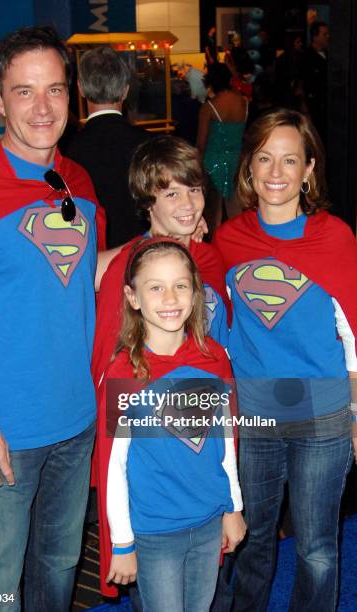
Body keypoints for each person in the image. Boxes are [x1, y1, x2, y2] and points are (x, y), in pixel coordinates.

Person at [0, 26, 106, 610]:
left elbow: (76, 277)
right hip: (3, 432)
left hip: (76, 420)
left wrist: (158, 248)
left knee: (60, 567)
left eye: (56, 90)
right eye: (24, 91)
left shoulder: (78, 183)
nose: (43, 108)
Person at [213, 108, 357, 611]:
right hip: (254, 416)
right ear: (248, 168)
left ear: (309, 169)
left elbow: (353, 334)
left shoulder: (335, 238)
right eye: (265, 159)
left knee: (317, 548)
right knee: (250, 541)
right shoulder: (228, 241)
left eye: (290, 160)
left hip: (323, 414)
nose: (276, 173)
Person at [98, 237, 246, 612]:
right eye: (155, 287)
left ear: (196, 294)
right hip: (155, 532)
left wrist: (234, 508)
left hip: (209, 520)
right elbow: (113, 466)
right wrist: (123, 543)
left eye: (181, 285)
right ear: (133, 297)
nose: (170, 298)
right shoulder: (125, 372)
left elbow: (226, 442)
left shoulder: (215, 360)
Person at [92, 135, 229, 395]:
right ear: (147, 203)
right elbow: (106, 359)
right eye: (171, 194)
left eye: (194, 190)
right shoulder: (128, 268)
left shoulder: (209, 257)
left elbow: (221, 339)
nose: (187, 204)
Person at [66, 46, 151, 248]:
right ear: (125, 90)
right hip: (148, 254)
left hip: (94, 259)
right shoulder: (151, 145)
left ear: (81, 88)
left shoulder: (68, 152)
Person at [196, 63, 248, 224]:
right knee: (235, 208)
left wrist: (198, 166)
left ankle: (216, 244)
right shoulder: (243, 102)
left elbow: (201, 143)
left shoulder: (209, 107)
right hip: (236, 159)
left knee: (213, 212)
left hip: (213, 162)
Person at [300, 21, 329, 145]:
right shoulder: (306, 57)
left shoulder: (329, 55)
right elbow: (301, 86)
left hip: (327, 109)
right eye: (324, 34)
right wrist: (306, 112)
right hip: (313, 109)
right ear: (315, 36)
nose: (328, 36)